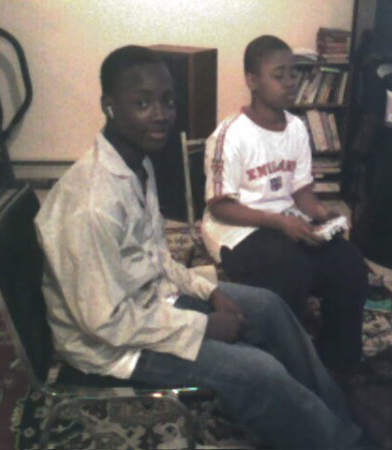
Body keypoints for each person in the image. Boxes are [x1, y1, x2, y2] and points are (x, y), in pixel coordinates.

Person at [34, 45, 372, 449]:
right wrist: (203, 325)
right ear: (109, 105)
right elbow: (104, 324)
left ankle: (337, 415)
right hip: (114, 346)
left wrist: (209, 292)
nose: (160, 114)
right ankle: (343, 444)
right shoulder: (92, 206)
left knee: (269, 307)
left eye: (167, 101)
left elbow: (154, 258)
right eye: (142, 103)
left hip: (150, 302)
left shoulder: (137, 163)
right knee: (258, 371)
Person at [201, 35, 369, 375]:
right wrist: (280, 223)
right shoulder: (229, 134)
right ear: (252, 81)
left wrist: (323, 215)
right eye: (279, 75)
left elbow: (302, 192)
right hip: (236, 229)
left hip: (285, 221)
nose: (291, 82)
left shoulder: (296, 128)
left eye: (294, 73)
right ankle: (284, 363)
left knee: (350, 264)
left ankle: (337, 362)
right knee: (292, 268)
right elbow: (220, 206)